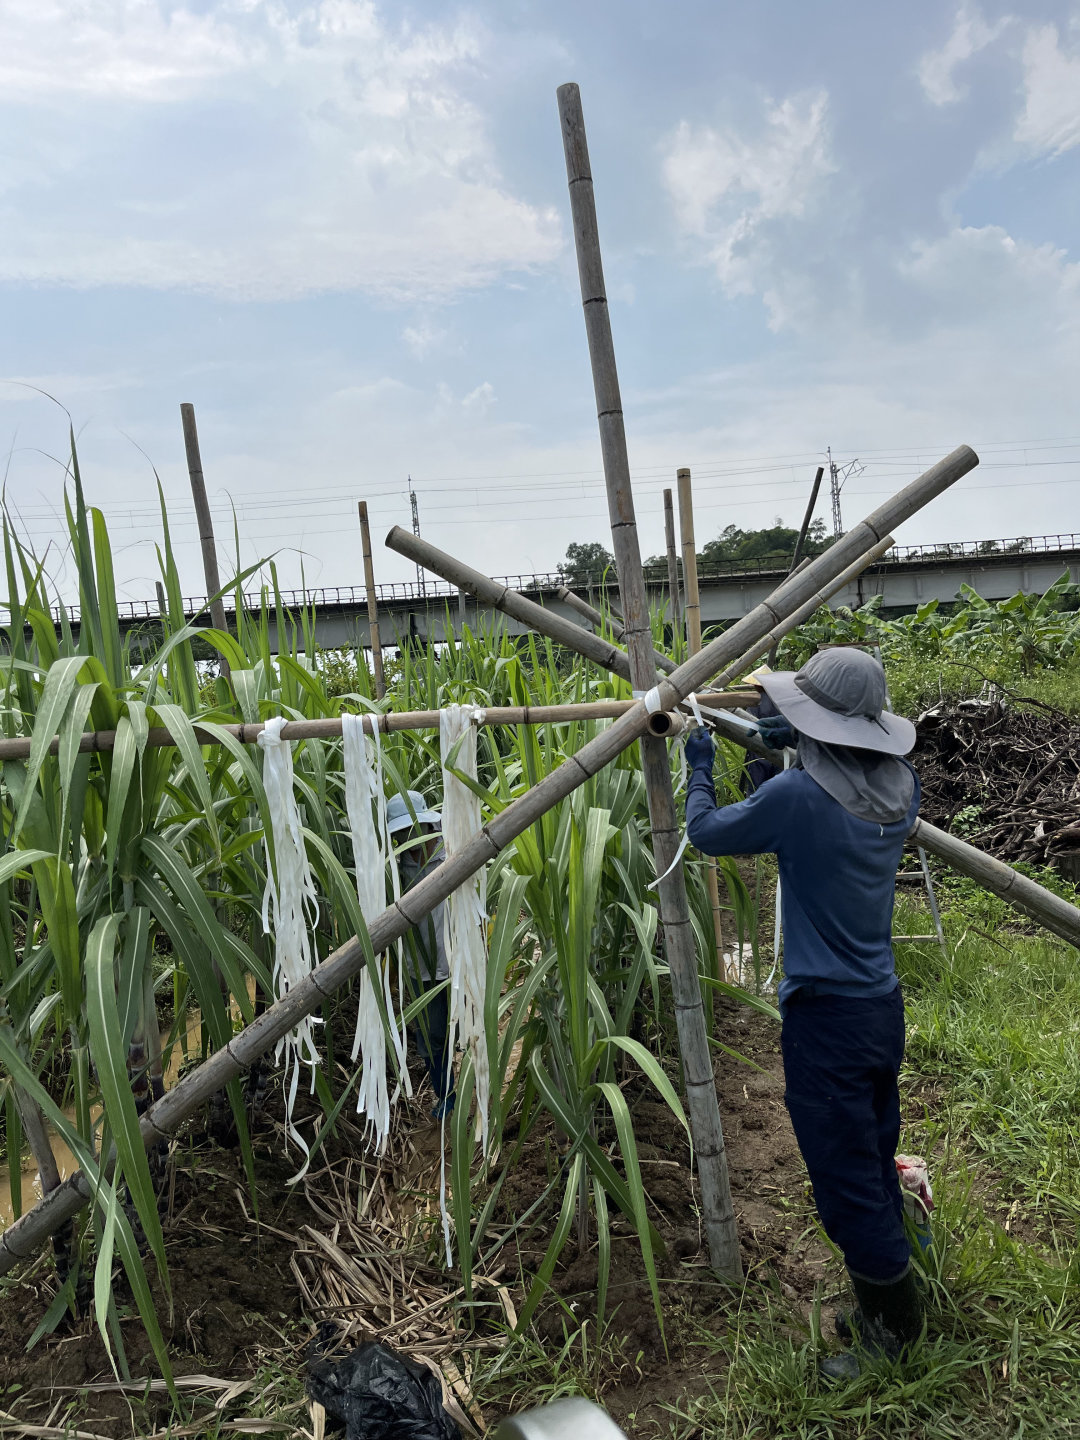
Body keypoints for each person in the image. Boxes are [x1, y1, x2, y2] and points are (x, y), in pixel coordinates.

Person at [683, 647, 924, 1378]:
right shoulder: (903, 787)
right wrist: (790, 746)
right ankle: (888, 1299)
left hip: (825, 1020)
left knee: (844, 1177)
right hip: (879, 1008)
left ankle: (893, 1338)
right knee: (871, 1152)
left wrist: (700, 764)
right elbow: (834, 785)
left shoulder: (797, 799)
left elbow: (707, 832)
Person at [386, 790, 456, 1120]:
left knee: (459, 1030)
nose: (407, 839)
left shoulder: (450, 853)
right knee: (429, 1039)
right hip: (419, 969)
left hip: (453, 962)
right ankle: (447, 1095)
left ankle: (476, 1085)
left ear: (427, 825)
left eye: (410, 830)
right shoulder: (396, 870)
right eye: (400, 833)